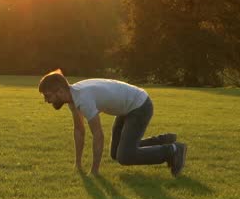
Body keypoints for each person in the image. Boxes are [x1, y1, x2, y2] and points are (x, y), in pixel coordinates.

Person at [38, 69, 187, 177]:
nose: (46, 100)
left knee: (125, 156)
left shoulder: (83, 99)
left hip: (139, 106)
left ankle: (173, 150)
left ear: (60, 91)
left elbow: (98, 135)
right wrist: (78, 164)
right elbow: (79, 131)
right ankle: (162, 140)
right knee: (116, 153)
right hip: (125, 109)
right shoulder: (72, 97)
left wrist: (94, 171)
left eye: (47, 95)